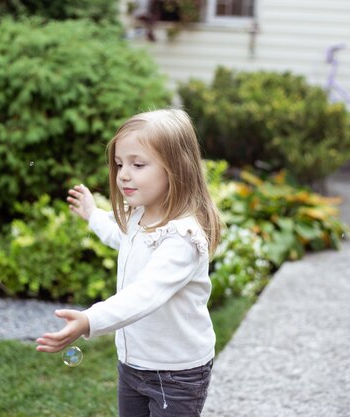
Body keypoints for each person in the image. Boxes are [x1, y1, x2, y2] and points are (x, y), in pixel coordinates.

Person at [35, 108, 223, 417]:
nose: (123, 174)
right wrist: (93, 215)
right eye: (120, 164)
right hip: (133, 362)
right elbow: (120, 236)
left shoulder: (181, 238)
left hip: (176, 373)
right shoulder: (140, 213)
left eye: (138, 164)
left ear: (176, 169)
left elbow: (144, 295)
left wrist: (89, 320)